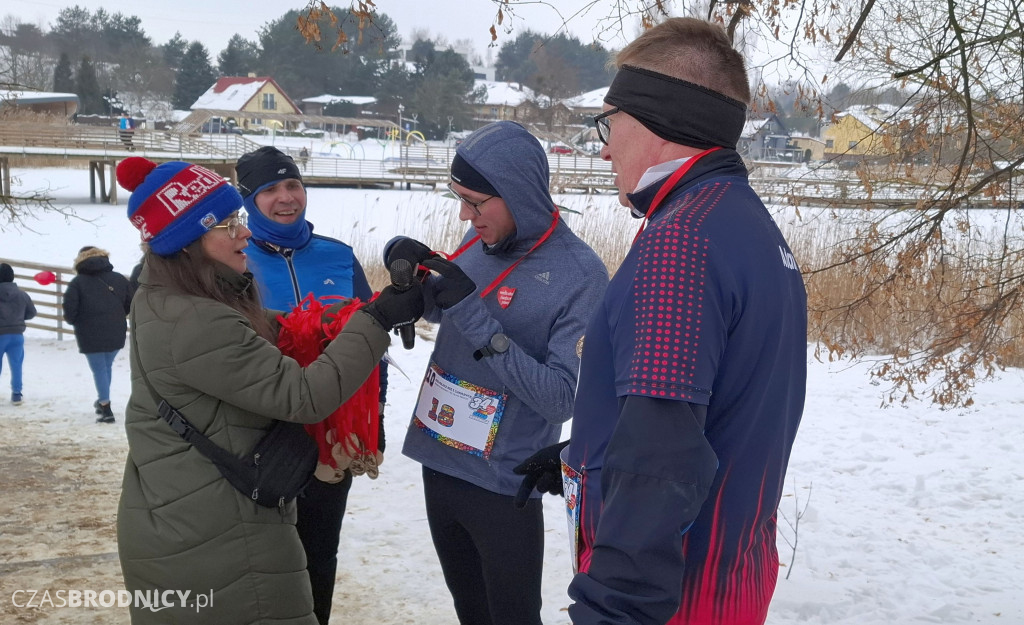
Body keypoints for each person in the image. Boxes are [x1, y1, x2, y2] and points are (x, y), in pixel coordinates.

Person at [515, 18, 808, 625]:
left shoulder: (681, 244)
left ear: (659, 118)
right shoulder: (746, 226)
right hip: (732, 572)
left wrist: (609, 610)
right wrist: (588, 455)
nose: (602, 146)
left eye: (610, 122)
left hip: (673, 595)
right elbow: (714, 409)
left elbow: (662, 455)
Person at [114, 156, 423, 624]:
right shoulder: (195, 319)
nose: (243, 233)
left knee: (319, 559)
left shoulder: (174, 295)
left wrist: (341, 316)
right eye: (227, 223)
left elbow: (265, 331)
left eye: (237, 219)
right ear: (188, 242)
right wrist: (377, 319)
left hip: (201, 503)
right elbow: (303, 395)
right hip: (220, 527)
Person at [385, 120, 608, 625]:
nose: (465, 214)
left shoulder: (581, 275)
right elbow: (448, 305)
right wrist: (410, 266)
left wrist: (475, 314)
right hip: (437, 460)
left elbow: (561, 399)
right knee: (471, 614)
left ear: (518, 194)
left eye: (476, 202)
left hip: (503, 483)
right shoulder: (479, 235)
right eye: (458, 198)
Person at [235, 145, 388, 625]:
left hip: (332, 430)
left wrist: (374, 417)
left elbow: (373, 341)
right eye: (270, 190)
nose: (286, 198)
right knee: (258, 560)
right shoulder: (234, 262)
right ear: (248, 199)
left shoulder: (339, 257)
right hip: (260, 431)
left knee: (320, 553)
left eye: (293, 185)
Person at [62, 246, 133, 423]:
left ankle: (105, 405)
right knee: (106, 367)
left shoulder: (77, 283)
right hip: (116, 330)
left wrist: (79, 321)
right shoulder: (119, 279)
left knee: (99, 369)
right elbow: (130, 303)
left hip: (88, 331)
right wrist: (116, 316)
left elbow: (70, 311)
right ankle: (103, 399)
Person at [0, 263, 36, 405]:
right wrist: (19, 318)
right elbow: (32, 312)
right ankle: (16, 394)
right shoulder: (22, 294)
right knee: (16, 364)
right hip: (17, 335)